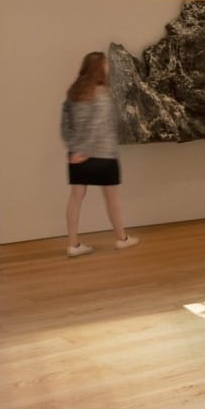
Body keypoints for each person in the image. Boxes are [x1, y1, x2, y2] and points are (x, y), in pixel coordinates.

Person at [61, 50, 139, 258]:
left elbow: (65, 126)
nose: (108, 68)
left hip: (76, 154)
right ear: (99, 69)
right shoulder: (102, 94)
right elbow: (97, 125)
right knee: (112, 197)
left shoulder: (72, 93)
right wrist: (85, 150)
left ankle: (73, 244)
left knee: (75, 197)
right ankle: (121, 238)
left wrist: (75, 148)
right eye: (105, 65)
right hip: (103, 154)